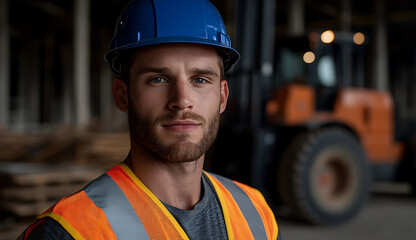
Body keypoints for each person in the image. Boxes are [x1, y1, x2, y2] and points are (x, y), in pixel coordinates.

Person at [19, 0, 280, 239]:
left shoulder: (255, 211)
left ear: (222, 97)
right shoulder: (70, 231)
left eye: (200, 79)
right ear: (122, 96)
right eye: (158, 79)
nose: (182, 100)